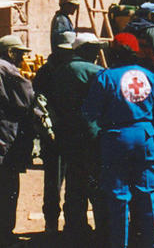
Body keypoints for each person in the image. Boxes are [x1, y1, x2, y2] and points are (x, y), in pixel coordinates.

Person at [83, 32, 154, 248]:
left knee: (118, 198)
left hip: (116, 140)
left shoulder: (106, 77)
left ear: (113, 52)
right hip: (146, 139)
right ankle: (152, 244)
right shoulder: (151, 77)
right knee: (147, 195)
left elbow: (90, 112)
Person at [0, 34, 35, 248]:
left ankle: (2, 234)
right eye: (19, 54)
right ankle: (0, 237)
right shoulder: (4, 68)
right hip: (4, 138)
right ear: (10, 53)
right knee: (7, 189)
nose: (22, 58)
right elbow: (26, 98)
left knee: (6, 188)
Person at [52, 32, 108, 241]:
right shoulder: (95, 71)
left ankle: (75, 228)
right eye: (94, 50)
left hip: (67, 136)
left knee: (74, 184)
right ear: (86, 51)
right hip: (91, 136)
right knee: (96, 183)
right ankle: (103, 228)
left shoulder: (61, 71)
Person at [32, 32, 70, 234]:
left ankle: (54, 223)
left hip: (58, 132)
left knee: (55, 180)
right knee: (55, 181)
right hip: (57, 133)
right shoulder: (50, 72)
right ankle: (52, 222)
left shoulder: (50, 70)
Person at [125, 3, 154, 87]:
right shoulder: (152, 31)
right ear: (149, 15)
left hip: (129, 74)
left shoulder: (128, 29)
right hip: (148, 76)